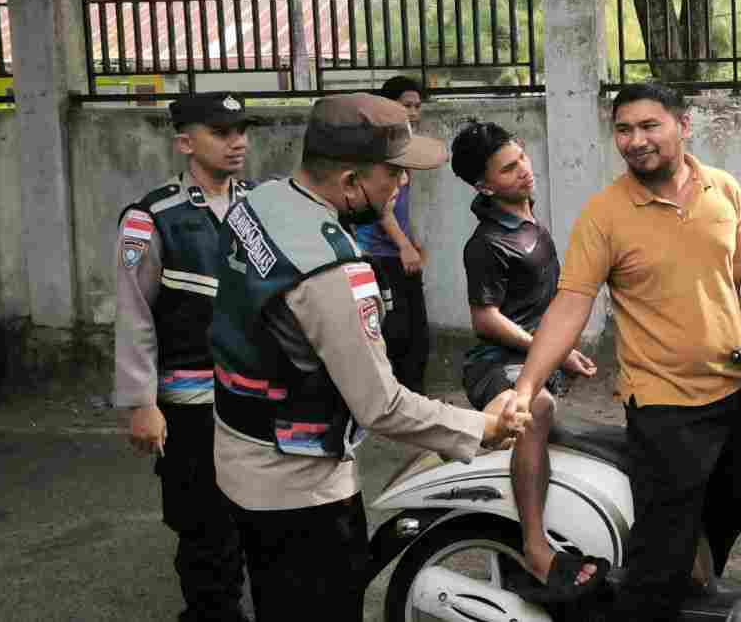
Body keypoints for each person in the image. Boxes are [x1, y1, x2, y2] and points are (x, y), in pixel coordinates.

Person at [208, 93, 528, 621]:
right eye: (393, 174)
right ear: (351, 181)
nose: (403, 184)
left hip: (239, 456)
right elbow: (381, 405)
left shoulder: (258, 203)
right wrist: (481, 427)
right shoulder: (330, 268)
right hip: (302, 488)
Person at [509, 82, 741, 621]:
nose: (635, 140)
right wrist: (527, 386)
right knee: (661, 558)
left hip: (738, 389)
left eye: (650, 126)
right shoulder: (605, 215)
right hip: (665, 405)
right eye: (624, 129)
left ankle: (697, 582)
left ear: (683, 125)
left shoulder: (724, 190)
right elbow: (570, 305)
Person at [113, 92, 255, 622]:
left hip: (256, 398)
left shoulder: (263, 204)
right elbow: (134, 316)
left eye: (241, 129)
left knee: (259, 523)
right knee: (204, 529)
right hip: (191, 402)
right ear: (184, 142)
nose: (237, 141)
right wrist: (141, 402)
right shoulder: (151, 218)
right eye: (221, 132)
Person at [450, 120, 603, 597]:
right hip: (496, 366)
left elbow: (540, 309)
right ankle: (536, 549)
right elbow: (487, 319)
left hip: (534, 359)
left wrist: (563, 351)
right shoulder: (486, 243)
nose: (524, 171)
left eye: (523, 159)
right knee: (536, 409)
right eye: (508, 168)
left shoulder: (530, 218)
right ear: (484, 185)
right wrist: (548, 354)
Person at [353, 75, 431, 393]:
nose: (413, 112)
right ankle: (394, 400)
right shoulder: (380, 149)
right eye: (406, 105)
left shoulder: (404, 149)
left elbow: (402, 208)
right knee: (396, 333)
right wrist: (404, 246)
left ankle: (414, 400)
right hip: (379, 254)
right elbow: (383, 208)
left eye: (417, 106)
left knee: (418, 335)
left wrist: (413, 243)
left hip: (399, 252)